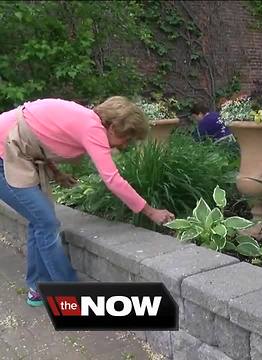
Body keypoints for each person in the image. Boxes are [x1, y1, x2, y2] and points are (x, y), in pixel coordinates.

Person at [0, 97, 175, 307]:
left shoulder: (85, 119)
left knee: (39, 221)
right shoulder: (92, 127)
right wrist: (150, 211)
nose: (126, 144)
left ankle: (37, 287)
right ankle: (70, 295)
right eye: (126, 137)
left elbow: (38, 139)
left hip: (14, 153)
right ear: (112, 126)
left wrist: (57, 174)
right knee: (46, 223)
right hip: (4, 155)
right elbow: (112, 179)